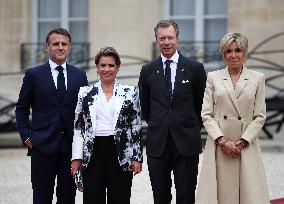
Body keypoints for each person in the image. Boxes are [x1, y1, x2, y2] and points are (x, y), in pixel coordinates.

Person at [15, 28, 88, 204]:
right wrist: (26, 137)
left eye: (64, 44)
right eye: (56, 44)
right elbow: (21, 109)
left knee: (67, 198)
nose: (60, 47)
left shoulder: (79, 76)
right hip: (42, 147)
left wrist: (84, 145)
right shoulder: (33, 75)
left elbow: (86, 112)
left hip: (70, 149)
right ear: (47, 47)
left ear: (69, 47)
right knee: (41, 198)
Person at [195, 32, 270, 204]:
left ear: (245, 53)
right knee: (221, 194)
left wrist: (243, 140)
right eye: (229, 51)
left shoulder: (258, 78)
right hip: (219, 144)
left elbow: (260, 116)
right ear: (223, 54)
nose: (234, 55)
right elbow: (206, 114)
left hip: (245, 144)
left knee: (249, 194)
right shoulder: (213, 77)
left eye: (238, 50)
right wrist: (222, 141)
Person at [138, 19, 207, 204]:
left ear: (177, 39)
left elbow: (201, 104)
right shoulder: (147, 70)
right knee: (161, 197)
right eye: (162, 38)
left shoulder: (195, 68)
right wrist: (160, 122)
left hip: (186, 143)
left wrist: (188, 126)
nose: (166, 42)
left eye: (170, 37)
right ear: (156, 40)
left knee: (186, 196)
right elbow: (145, 106)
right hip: (158, 143)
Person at [70, 46, 143, 204]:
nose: (107, 69)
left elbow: (135, 126)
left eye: (111, 65)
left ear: (118, 68)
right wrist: (76, 157)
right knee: (93, 198)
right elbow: (78, 127)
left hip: (121, 152)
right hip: (93, 151)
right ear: (97, 68)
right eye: (103, 65)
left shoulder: (130, 92)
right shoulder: (85, 93)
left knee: (120, 197)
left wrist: (137, 157)